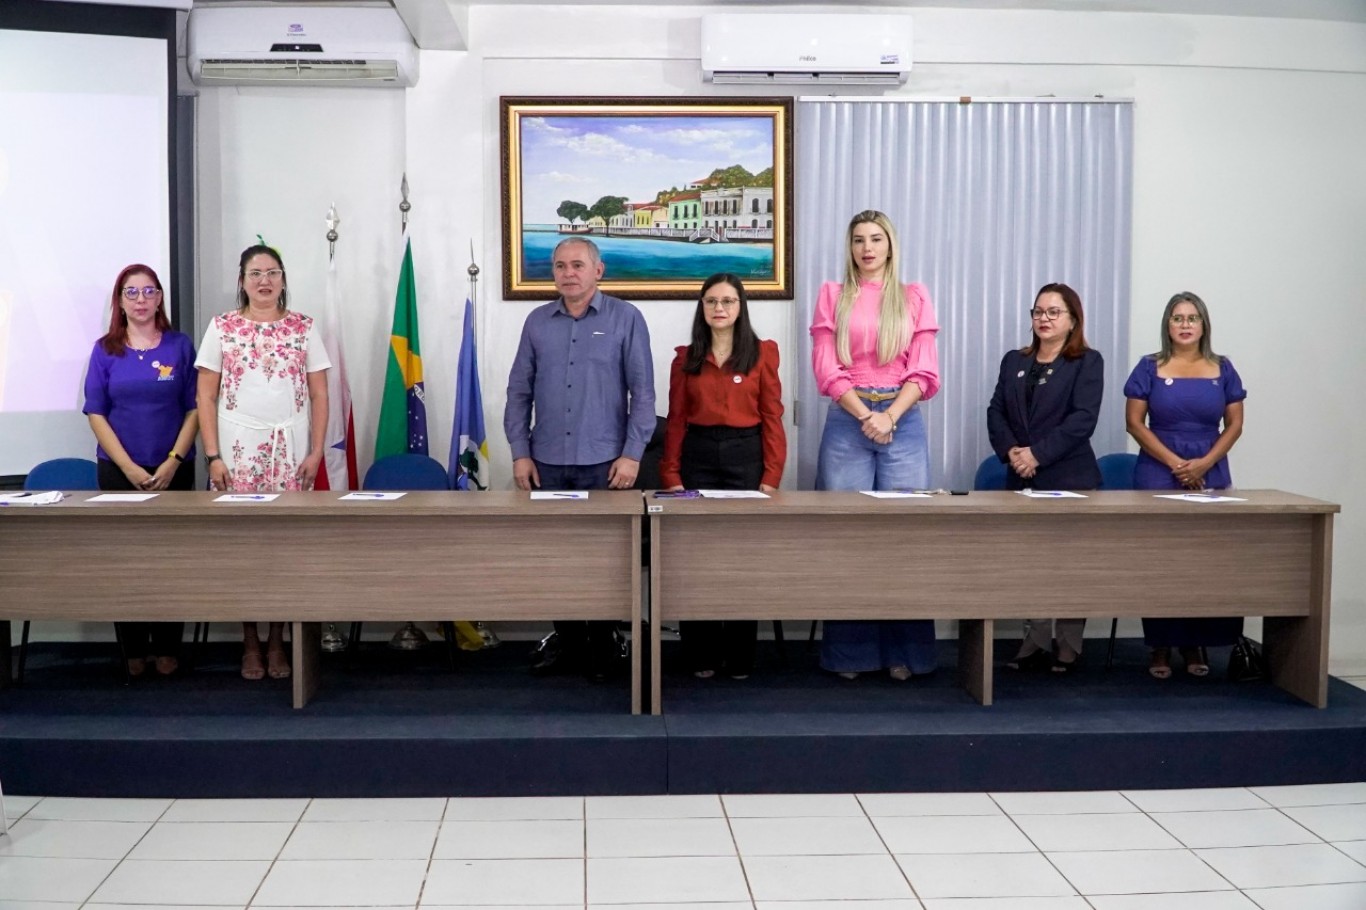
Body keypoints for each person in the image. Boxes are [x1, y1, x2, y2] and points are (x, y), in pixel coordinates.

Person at [504, 236, 655, 681]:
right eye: (559, 266)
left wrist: (631, 456)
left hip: (605, 464)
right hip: (546, 463)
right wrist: (519, 453)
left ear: (598, 271)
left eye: (577, 265)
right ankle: (569, 644)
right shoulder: (536, 322)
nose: (568, 273)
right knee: (557, 559)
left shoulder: (626, 319)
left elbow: (643, 395)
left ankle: (604, 645)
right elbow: (518, 393)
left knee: (608, 561)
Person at [810, 210, 940, 681]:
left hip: (902, 420)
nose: (867, 248)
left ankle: (907, 654)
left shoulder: (913, 297)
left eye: (876, 239)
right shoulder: (832, 296)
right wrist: (867, 416)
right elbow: (826, 367)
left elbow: (924, 370)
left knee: (904, 539)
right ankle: (852, 655)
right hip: (849, 421)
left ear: (890, 245)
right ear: (850, 248)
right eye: (859, 240)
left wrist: (889, 416)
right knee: (849, 537)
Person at [196, 244, 330, 681]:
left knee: (284, 549)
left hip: (290, 451)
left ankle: (279, 640)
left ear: (284, 280)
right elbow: (206, 396)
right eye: (255, 273)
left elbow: (319, 394)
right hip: (237, 451)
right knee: (244, 548)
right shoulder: (223, 328)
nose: (264, 281)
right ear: (242, 281)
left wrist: (315, 451)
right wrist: (213, 455)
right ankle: (250, 641)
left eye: (273, 272)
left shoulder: (304, 328)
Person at [660, 273, 786, 680]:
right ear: (702, 306)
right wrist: (671, 475)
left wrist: (771, 474)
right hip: (697, 457)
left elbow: (772, 417)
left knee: (740, 560)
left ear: (740, 306)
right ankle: (700, 654)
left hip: (744, 457)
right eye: (711, 301)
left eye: (728, 301)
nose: (719, 308)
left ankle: (740, 656)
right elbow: (676, 419)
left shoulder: (763, 353)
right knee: (695, 560)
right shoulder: (685, 358)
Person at [82, 264, 198, 677]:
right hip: (117, 471)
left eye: (149, 291)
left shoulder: (181, 347)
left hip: (173, 471)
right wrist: (128, 467)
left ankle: (168, 647)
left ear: (160, 297)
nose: (141, 300)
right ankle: (133, 649)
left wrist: (173, 461)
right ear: (120, 301)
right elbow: (96, 412)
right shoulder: (105, 350)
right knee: (126, 561)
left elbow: (196, 408)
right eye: (132, 293)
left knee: (172, 560)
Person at [1125, 292, 1246, 679]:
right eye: (1178, 318)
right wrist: (1177, 464)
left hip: (1210, 470)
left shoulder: (1223, 368)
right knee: (1161, 562)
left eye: (1192, 318)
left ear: (1204, 324)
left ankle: (1195, 642)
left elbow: (1236, 424)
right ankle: (1160, 645)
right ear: (1167, 325)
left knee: (1202, 561)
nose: (1185, 324)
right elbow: (1134, 423)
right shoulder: (1150, 366)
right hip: (1159, 469)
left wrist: (1205, 463)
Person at [988, 282, 1104, 674]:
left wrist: (1037, 454)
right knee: (1029, 563)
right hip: (1021, 480)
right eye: (1038, 311)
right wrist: (1013, 454)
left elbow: (1083, 420)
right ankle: (1035, 640)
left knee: (1069, 564)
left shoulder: (1087, 362)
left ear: (1073, 320)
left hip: (1070, 476)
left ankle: (1068, 645)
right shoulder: (1013, 360)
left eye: (1054, 312)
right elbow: (996, 412)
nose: (1044, 318)